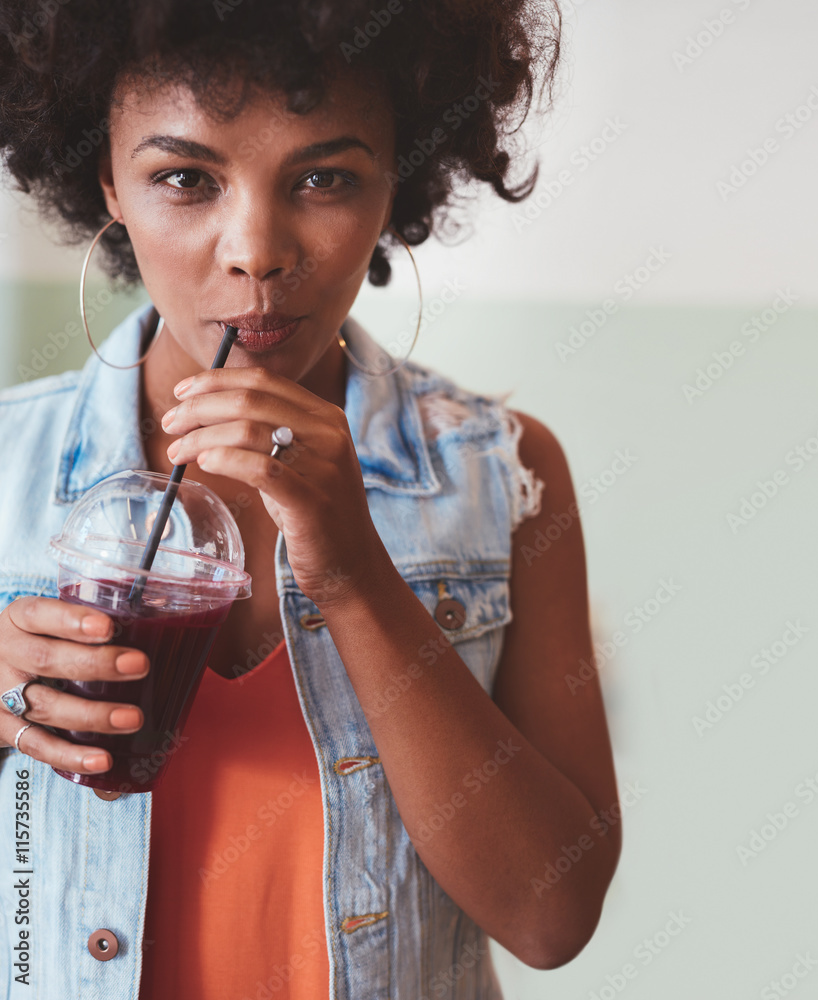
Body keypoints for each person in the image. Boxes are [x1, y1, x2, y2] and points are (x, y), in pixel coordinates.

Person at [0, 1, 621, 997]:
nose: (256, 249)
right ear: (106, 180)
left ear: (398, 180)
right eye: (184, 178)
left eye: (324, 177)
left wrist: (353, 572)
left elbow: (551, 917)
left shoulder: (505, 476)